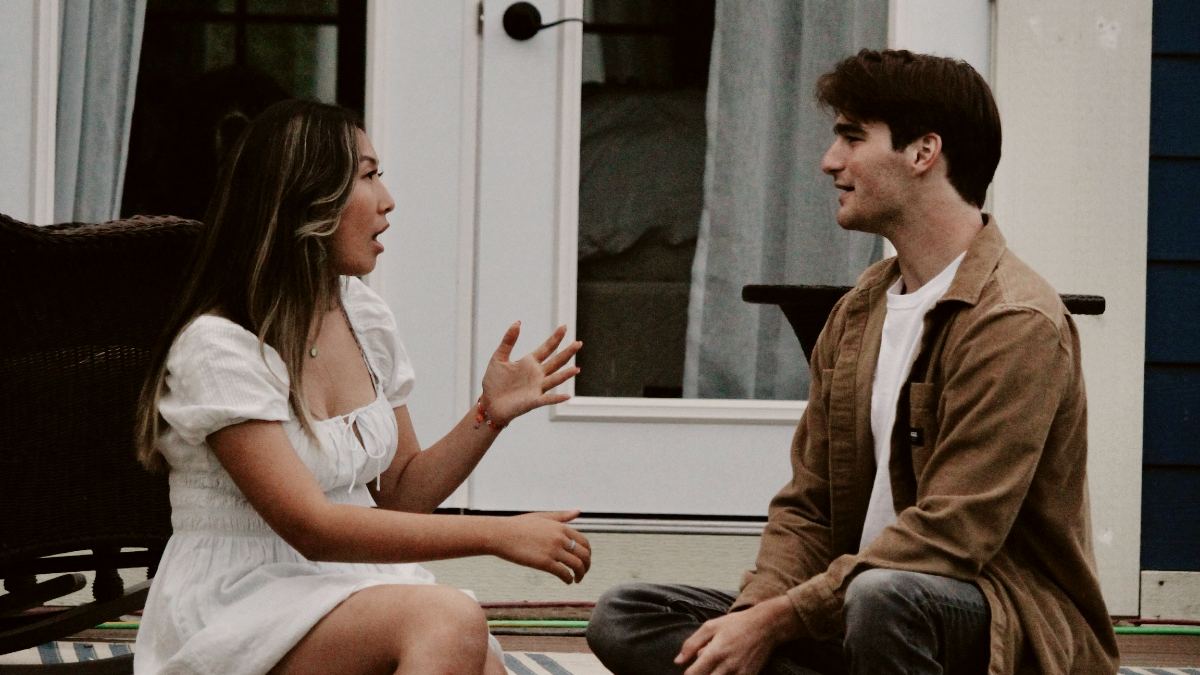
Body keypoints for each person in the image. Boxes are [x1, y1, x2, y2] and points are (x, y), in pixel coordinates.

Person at [586, 49, 1120, 675]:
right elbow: (808, 506)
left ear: (923, 153)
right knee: (628, 615)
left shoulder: (1013, 321)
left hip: (999, 626)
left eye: (851, 137)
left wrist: (778, 620)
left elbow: (950, 539)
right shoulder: (860, 310)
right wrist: (751, 618)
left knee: (885, 596)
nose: (829, 161)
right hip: (857, 611)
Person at [132, 99, 589, 675]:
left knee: (477, 658)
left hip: (351, 588)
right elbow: (312, 529)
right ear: (308, 199)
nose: (388, 200)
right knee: (447, 621)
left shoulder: (361, 316)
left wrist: (488, 415)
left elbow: (399, 492)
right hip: (240, 604)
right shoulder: (220, 347)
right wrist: (496, 534)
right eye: (369, 176)